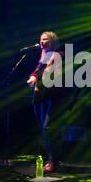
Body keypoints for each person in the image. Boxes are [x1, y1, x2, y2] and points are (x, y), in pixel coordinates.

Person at [27, 31, 63, 173]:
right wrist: (33, 76)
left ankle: (53, 161)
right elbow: (37, 71)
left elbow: (53, 74)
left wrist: (39, 76)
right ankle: (51, 159)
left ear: (52, 42)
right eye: (41, 39)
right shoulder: (43, 56)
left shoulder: (57, 55)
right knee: (43, 128)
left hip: (52, 97)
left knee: (49, 128)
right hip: (42, 97)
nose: (42, 42)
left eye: (45, 39)